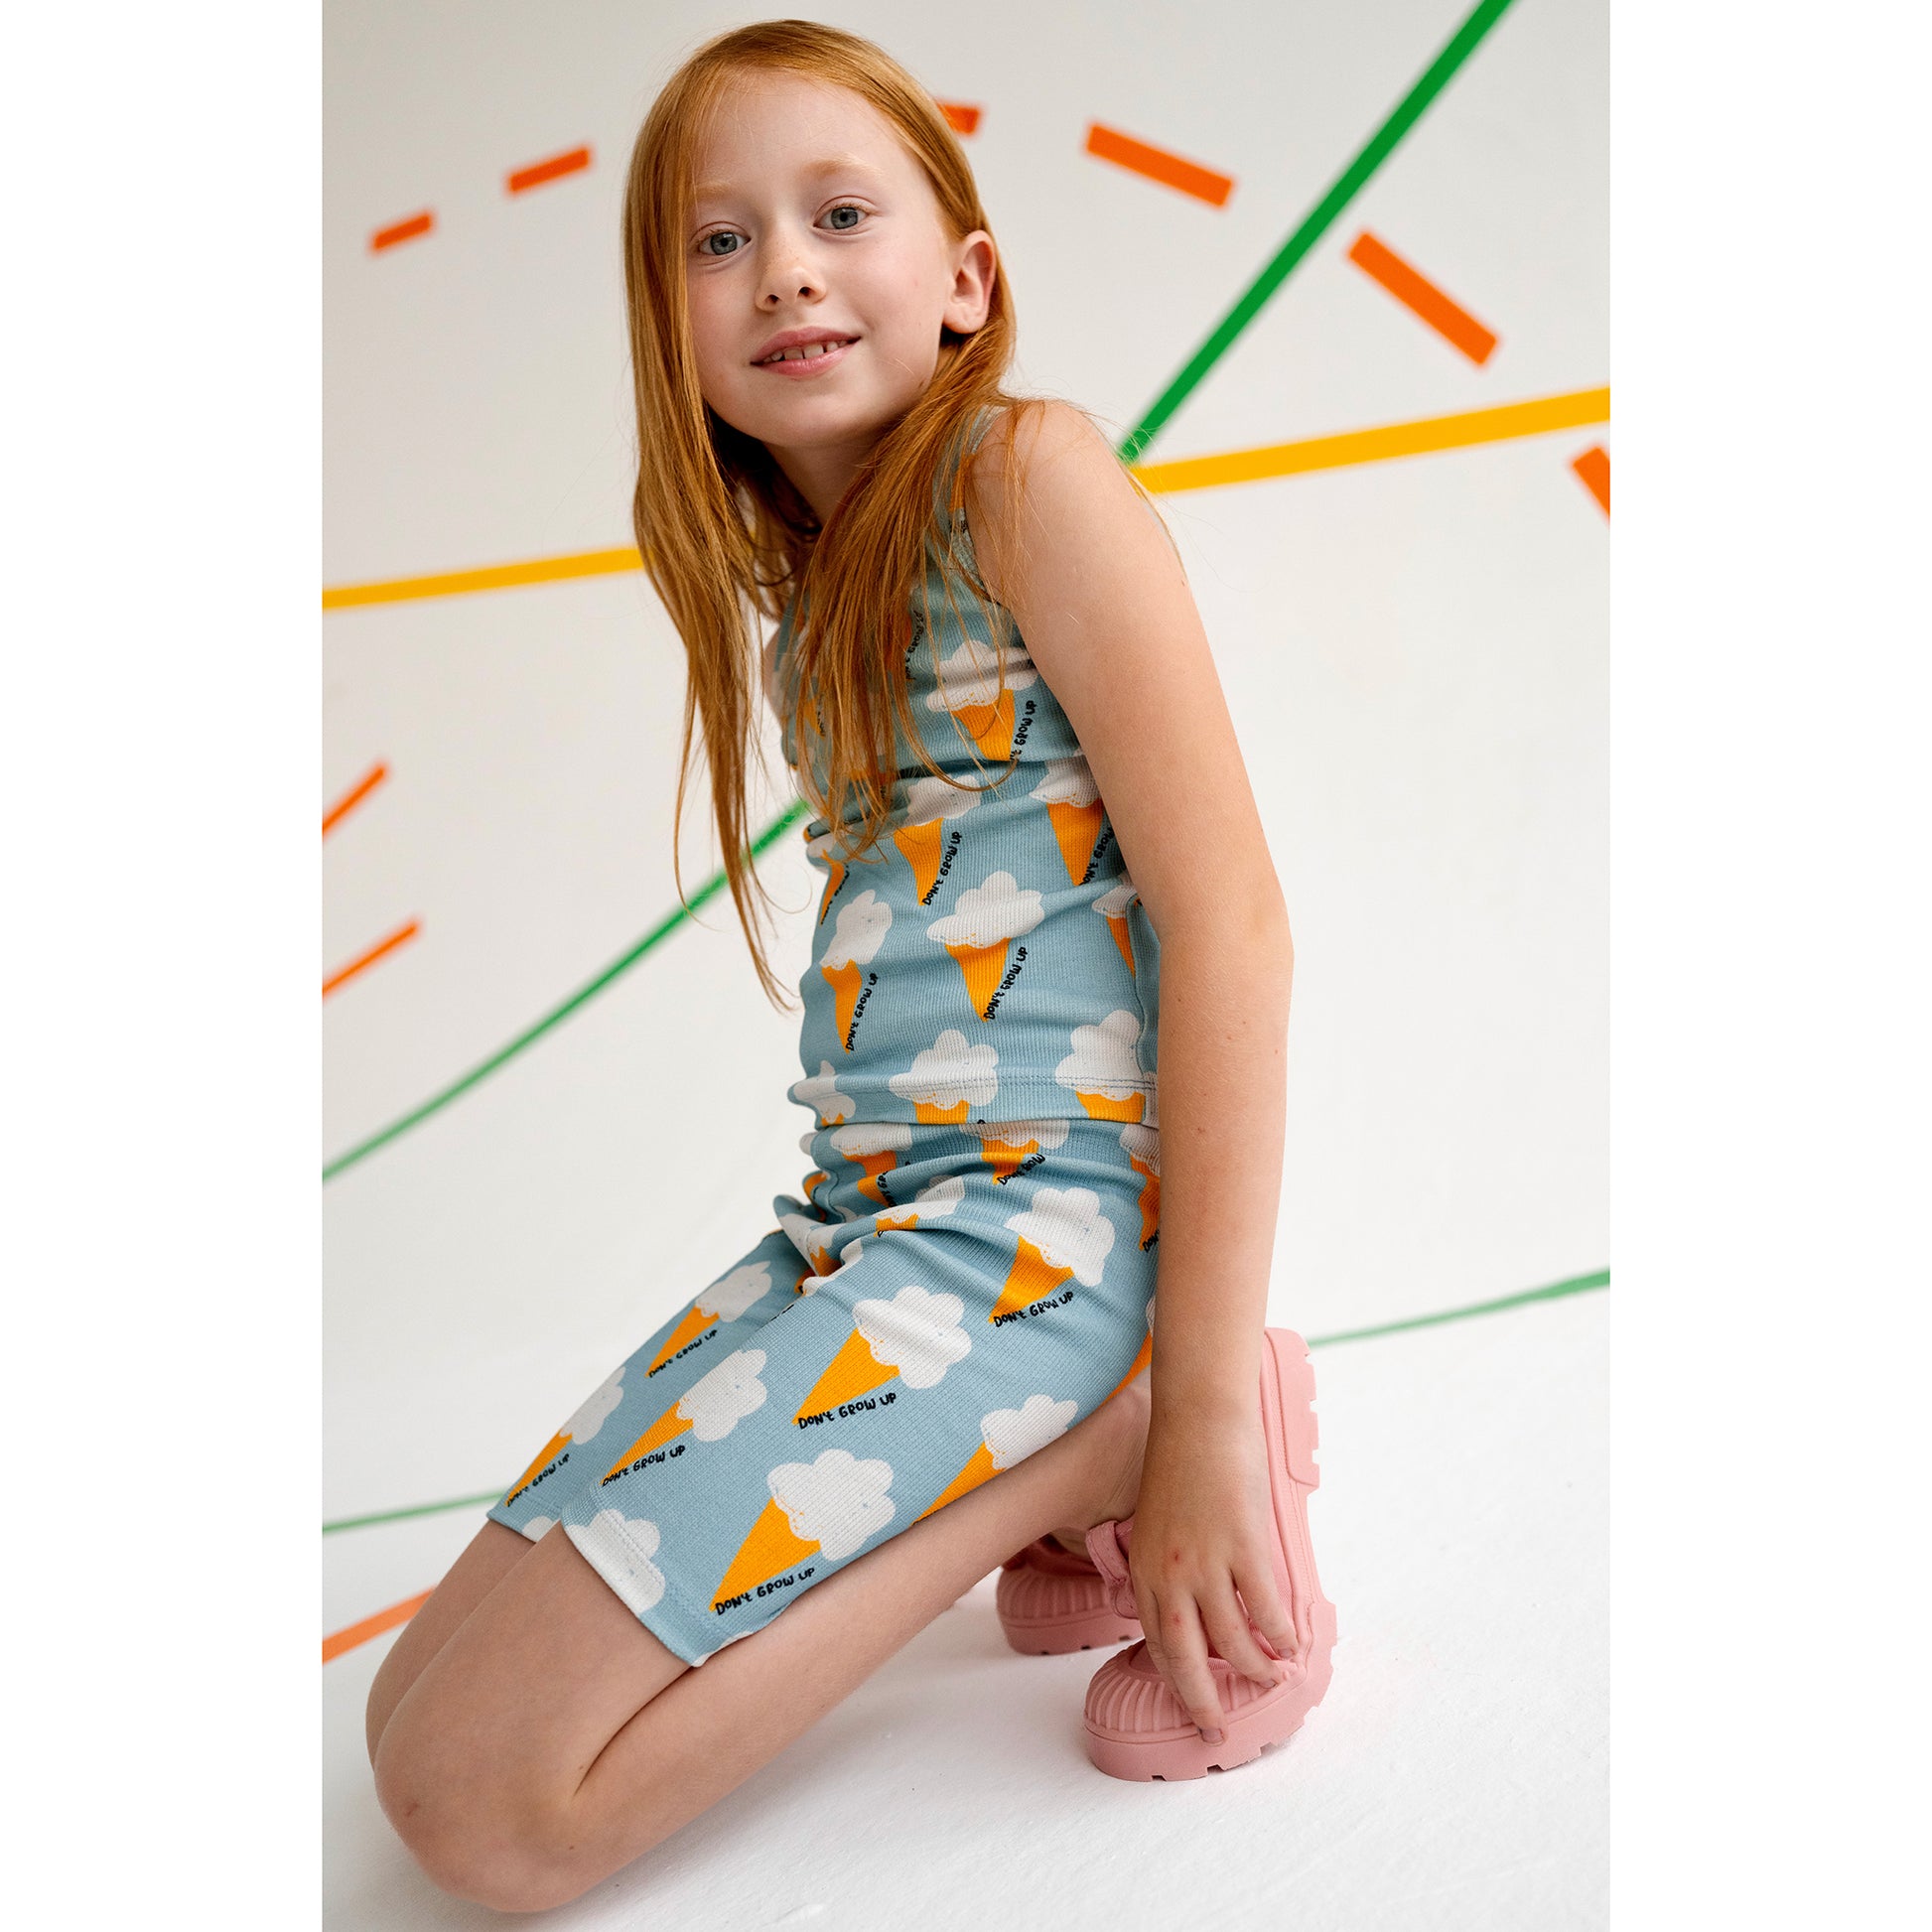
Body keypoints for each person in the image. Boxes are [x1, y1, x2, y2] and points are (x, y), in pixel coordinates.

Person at [363, 19, 1333, 1912]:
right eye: (717, 241)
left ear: (965, 279)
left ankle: (1095, 1447)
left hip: (1035, 1241)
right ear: (667, 327)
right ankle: (1065, 1450)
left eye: (838, 215)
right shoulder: (812, 593)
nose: (783, 271)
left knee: (490, 1813)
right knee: (412, 1715)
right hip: (861, 1230)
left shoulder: (1023, 474)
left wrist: (1204, 1405)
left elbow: (1233, 925)